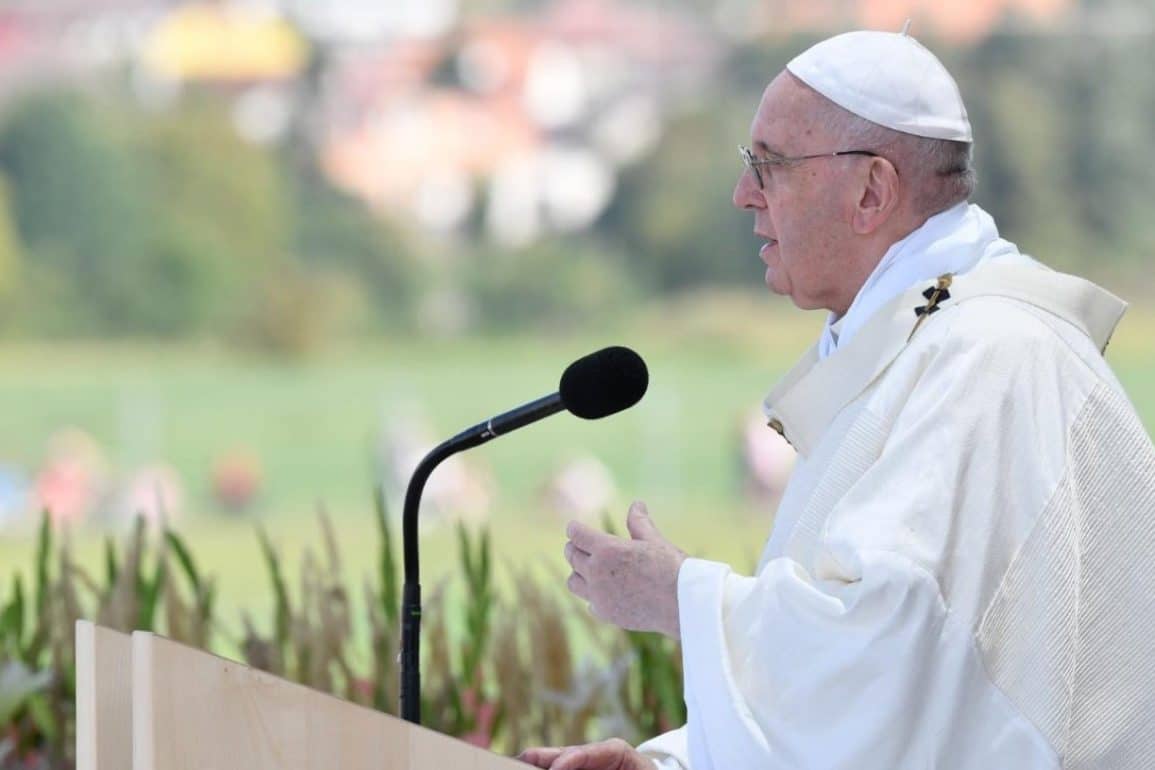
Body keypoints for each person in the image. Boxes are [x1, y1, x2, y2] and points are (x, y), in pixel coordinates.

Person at [517, 27, 1155, 770]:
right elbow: (898, 709)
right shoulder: (932, 342)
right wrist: (671, 765)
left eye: (770, 165)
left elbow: (888, 652)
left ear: (870, 192)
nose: (743, 194)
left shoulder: (988, 358)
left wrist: (682, 598)